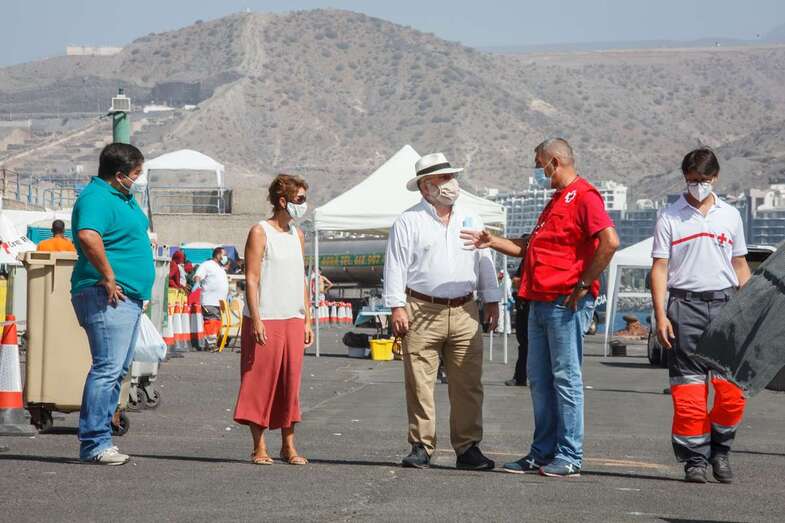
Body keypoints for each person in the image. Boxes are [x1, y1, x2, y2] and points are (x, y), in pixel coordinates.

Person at [462, 138, 619, 477]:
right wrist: (492, 241)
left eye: (539, 165)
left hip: (564, 302)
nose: (538, 172)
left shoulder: (584, 197)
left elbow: (610, 242)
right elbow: (528, 248)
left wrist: (583, 283)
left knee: (566, 379)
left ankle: (569, 454)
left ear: (555, 162)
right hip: (539, 301)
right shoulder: (555, 202)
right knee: (540, 380)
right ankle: (542, 451)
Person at [384, 152, 501, 470]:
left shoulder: (471, 217)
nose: (452, 184)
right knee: (420, 382)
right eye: (445, 178)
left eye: (453, 177)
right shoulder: (408, 221)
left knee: (468, 383)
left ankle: (468, 448)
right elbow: (395, 266)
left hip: (465, 309)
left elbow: (484, 260)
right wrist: (396, 307)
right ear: (426, 187)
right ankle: (421, 445)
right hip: (421, 308)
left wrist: (492, 299)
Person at [650, 148, 750, 484]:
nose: (698, 186)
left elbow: (740, 264)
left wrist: (750, 308)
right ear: (685, 178)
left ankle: (720, 450)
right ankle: (695, 459)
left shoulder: (730, 216)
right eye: (692, 180)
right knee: (689, 395)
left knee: (732, 394)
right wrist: (660, 315)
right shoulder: (669, 217)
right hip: (684, 308)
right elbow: (659, 267)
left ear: (715, 177)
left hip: (726, 308)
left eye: (704, 180)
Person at [70, 143, 154, 465]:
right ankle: (94, 444)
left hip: (127, 297)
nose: (138, 179)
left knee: (116, 370)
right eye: (136, 174)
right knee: (107, 368)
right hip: (107, 295)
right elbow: (88, 236)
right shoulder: (97, 198)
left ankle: (102, 437)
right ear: (119, 175)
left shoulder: (122, 198)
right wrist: (108, 275)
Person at [233, 174, 313, 465]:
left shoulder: (298, 235)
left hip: (293, 318)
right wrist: (256, 318)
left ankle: (288, 446)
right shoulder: (260, 232)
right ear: (283, 200)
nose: (303, 204)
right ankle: (259, 446)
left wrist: (307, 318)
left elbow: (300, 279)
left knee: (290, 383)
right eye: (299, 199)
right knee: (259, 381)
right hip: (266, 317)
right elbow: (252, 279)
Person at [193, 247, 230, 351]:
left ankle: (212, 342)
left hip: (220, 302)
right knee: (211, 320)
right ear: (218, 255)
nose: (226, 257)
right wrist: (197, 282)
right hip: (209, 300)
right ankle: (211, 344)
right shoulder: (207, 265)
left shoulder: (220, 268)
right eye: (224, 254)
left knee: (217, 321)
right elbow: (198, 275)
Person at [505, 260, 529, 387]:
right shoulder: (526, 260)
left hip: (535, 304)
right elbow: (516, 280)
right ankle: (520, 377)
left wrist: (523, 282)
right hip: (523, 304)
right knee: (523, 343)